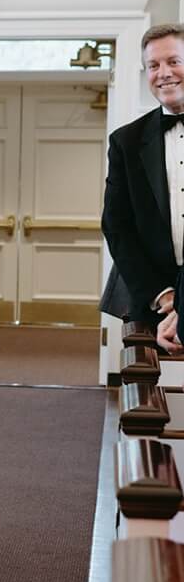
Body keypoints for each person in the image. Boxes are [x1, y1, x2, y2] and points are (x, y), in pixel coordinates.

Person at [104, 24, 184, 347]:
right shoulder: (126, 141)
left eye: (174, 61)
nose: (163, 73)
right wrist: (166, 299)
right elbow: (116, 225)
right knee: (146, 394)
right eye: (153, 66)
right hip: (151, 303)